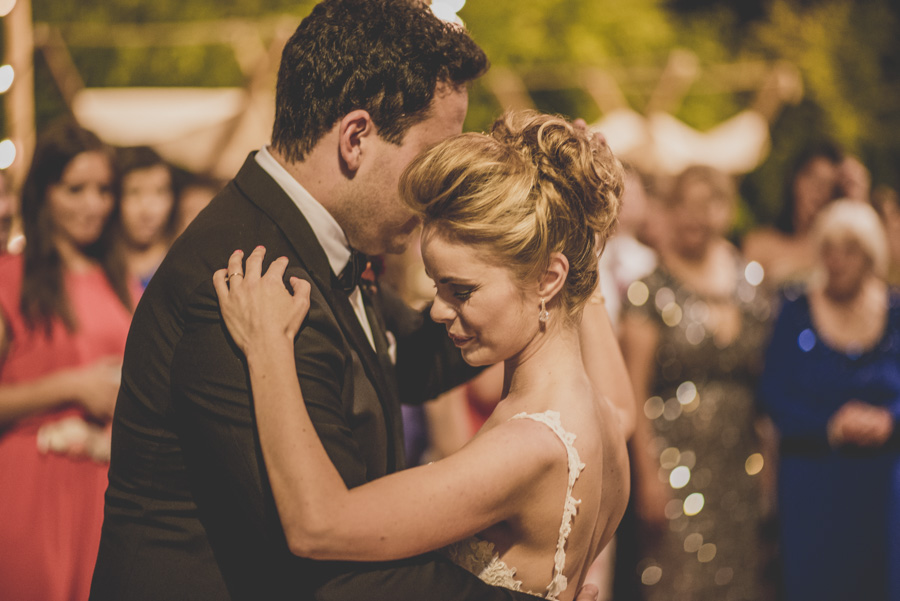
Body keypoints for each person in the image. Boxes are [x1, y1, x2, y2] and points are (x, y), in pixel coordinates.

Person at [90, 3, 617, 600]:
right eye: (430, 160)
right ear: (357, 138)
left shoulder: (330, 251)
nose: (435, 191)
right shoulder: (245, 281)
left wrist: (562, 226)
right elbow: (318, 566)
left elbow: (435, 347)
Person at [214, 111, 632, 601]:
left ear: (547, 278)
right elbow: (623, 406)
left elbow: (318, 526)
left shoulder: (529, 445)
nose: (436, 310)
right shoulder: (605, 419)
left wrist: (266, 345)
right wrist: (579, 228)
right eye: (437, 286)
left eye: (461, 290)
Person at [617, 165, 773, 601]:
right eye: (682, 204)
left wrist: (769, 462)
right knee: (677, 582)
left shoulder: (750, 282)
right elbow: (633, 390)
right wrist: (647, 476)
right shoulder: (648, 289)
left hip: (740, 462)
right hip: (673, 462)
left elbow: (765, 384)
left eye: (706, 204)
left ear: (725, 209)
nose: (693, 216)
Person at [0, 121, 136, 601]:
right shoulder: (10, 279)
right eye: (75, 189)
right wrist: (71, 386)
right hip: (33, 484)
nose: (94, 204)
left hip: (106, 487)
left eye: (104, 190)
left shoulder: (119, 283)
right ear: (44, 193)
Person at [759, 200, 900, 601]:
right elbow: (772, 393)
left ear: (871, 256)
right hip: (813, 480)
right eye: (829, 248)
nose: (836, 261)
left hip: (881, 483)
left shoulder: (895, 311)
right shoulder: (795, 310)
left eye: (849, 249)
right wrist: (828, 424)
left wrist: (889, 418)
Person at [743, 142, 869, 290]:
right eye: (811, 177)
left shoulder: (838, 254)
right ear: (794, 180)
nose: (817, 189)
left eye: (828, 183)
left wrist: (859, 200)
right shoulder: (760, 243)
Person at [115, 145, 177, 290]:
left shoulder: (183, 263)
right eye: (134, 192)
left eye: (159, 192)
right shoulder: (96, 266)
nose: (147, 210)